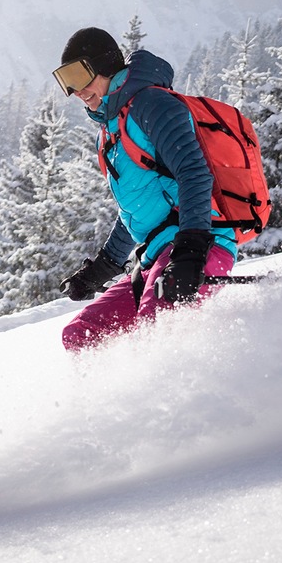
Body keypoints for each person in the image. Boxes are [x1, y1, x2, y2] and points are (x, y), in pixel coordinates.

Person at [53, 27, 236, 351]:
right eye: (66, 81)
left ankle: (191, 400)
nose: (76, 91)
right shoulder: (109, 133)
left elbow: (194, 173)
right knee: (81, 334)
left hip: (201, 242)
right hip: (156, 255)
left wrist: (191, 252)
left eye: (79, 75)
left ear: (105, 64)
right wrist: (99, 271)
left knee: (160, 324)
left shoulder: (152, 103)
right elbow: (135, 210)